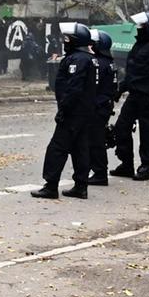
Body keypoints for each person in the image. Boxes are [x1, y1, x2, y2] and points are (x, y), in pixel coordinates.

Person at [32, 22, 97, 200]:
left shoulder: (79, 60)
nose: (65, 42)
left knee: (57, 148)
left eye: (68, 39)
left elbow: (73, 88)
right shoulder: (87, 58)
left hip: (73, 113)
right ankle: (81, 186)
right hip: (84, 112)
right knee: (80, 148)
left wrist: (64, 109)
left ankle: (51, 186)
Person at [112, 11, 149, 181]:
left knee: (147, 132)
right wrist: (121, 89)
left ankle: (146, 166)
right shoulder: (139, 45)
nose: (138, 28)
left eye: (142, 26)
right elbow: (132, 72)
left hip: (148, 97)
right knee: (121, 128)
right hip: (134, 95)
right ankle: (126, 164)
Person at [87, 29, 118, 186]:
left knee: (96, 140)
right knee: (96, 139)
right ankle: (98, 171)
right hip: (104, 106)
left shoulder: (99, 63)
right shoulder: (109, 62)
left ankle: (99, 173)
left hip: (98, 107)